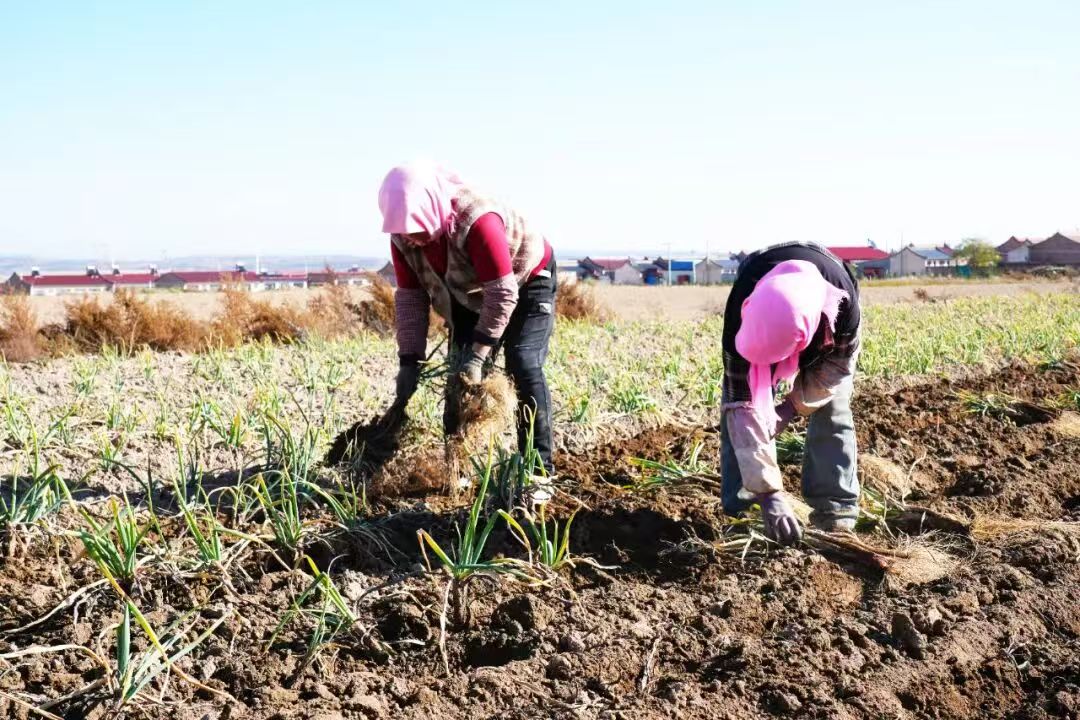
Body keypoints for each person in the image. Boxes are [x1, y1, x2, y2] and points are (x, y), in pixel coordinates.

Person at [378, 162, 557, 474]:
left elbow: (503, 294)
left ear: (430, 209)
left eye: (417, 229)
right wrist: (409, 361)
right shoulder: (402, 239)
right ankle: (457, 471)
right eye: (404, 231)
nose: (412, 238)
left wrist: (479, 355)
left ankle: (539, 471)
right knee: (457, 378)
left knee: (523, 362)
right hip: (469, 292)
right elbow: (411, 300)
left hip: (527, 281)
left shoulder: (478, 221)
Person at [720, 242, 861, 545]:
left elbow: (836, 370)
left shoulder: (843, 308)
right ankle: (746, 512)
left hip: (823, 336)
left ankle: (835, 513)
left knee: (833, 411)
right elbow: (741, 403)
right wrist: (769, 493)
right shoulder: (740, 317)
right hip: (757, 338)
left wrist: (790, 407)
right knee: (738, 418)